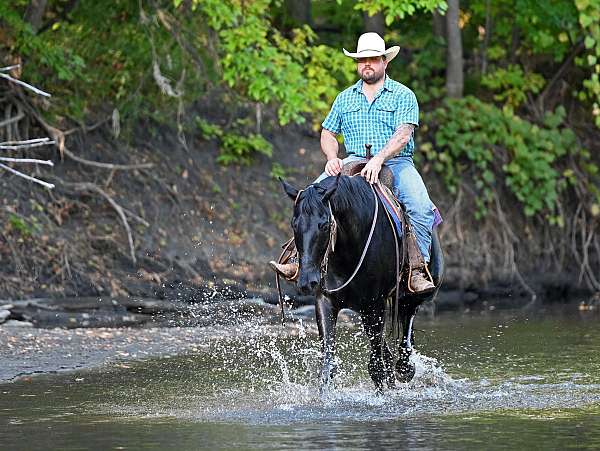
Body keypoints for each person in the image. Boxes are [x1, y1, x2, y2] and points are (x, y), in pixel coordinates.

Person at [270, 32, 435, 293]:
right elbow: (327, 133)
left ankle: (416, 268)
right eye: (361, 60)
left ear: (384, 62)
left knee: (421, 206)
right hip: (354, 160)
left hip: (397, 162)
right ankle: (298, 261)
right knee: (307, 200)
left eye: (372, 59)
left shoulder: (403, 95)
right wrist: (332, 157)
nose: (366, 64)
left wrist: (380, 158)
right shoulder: (345, 98)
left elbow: (403, 135)